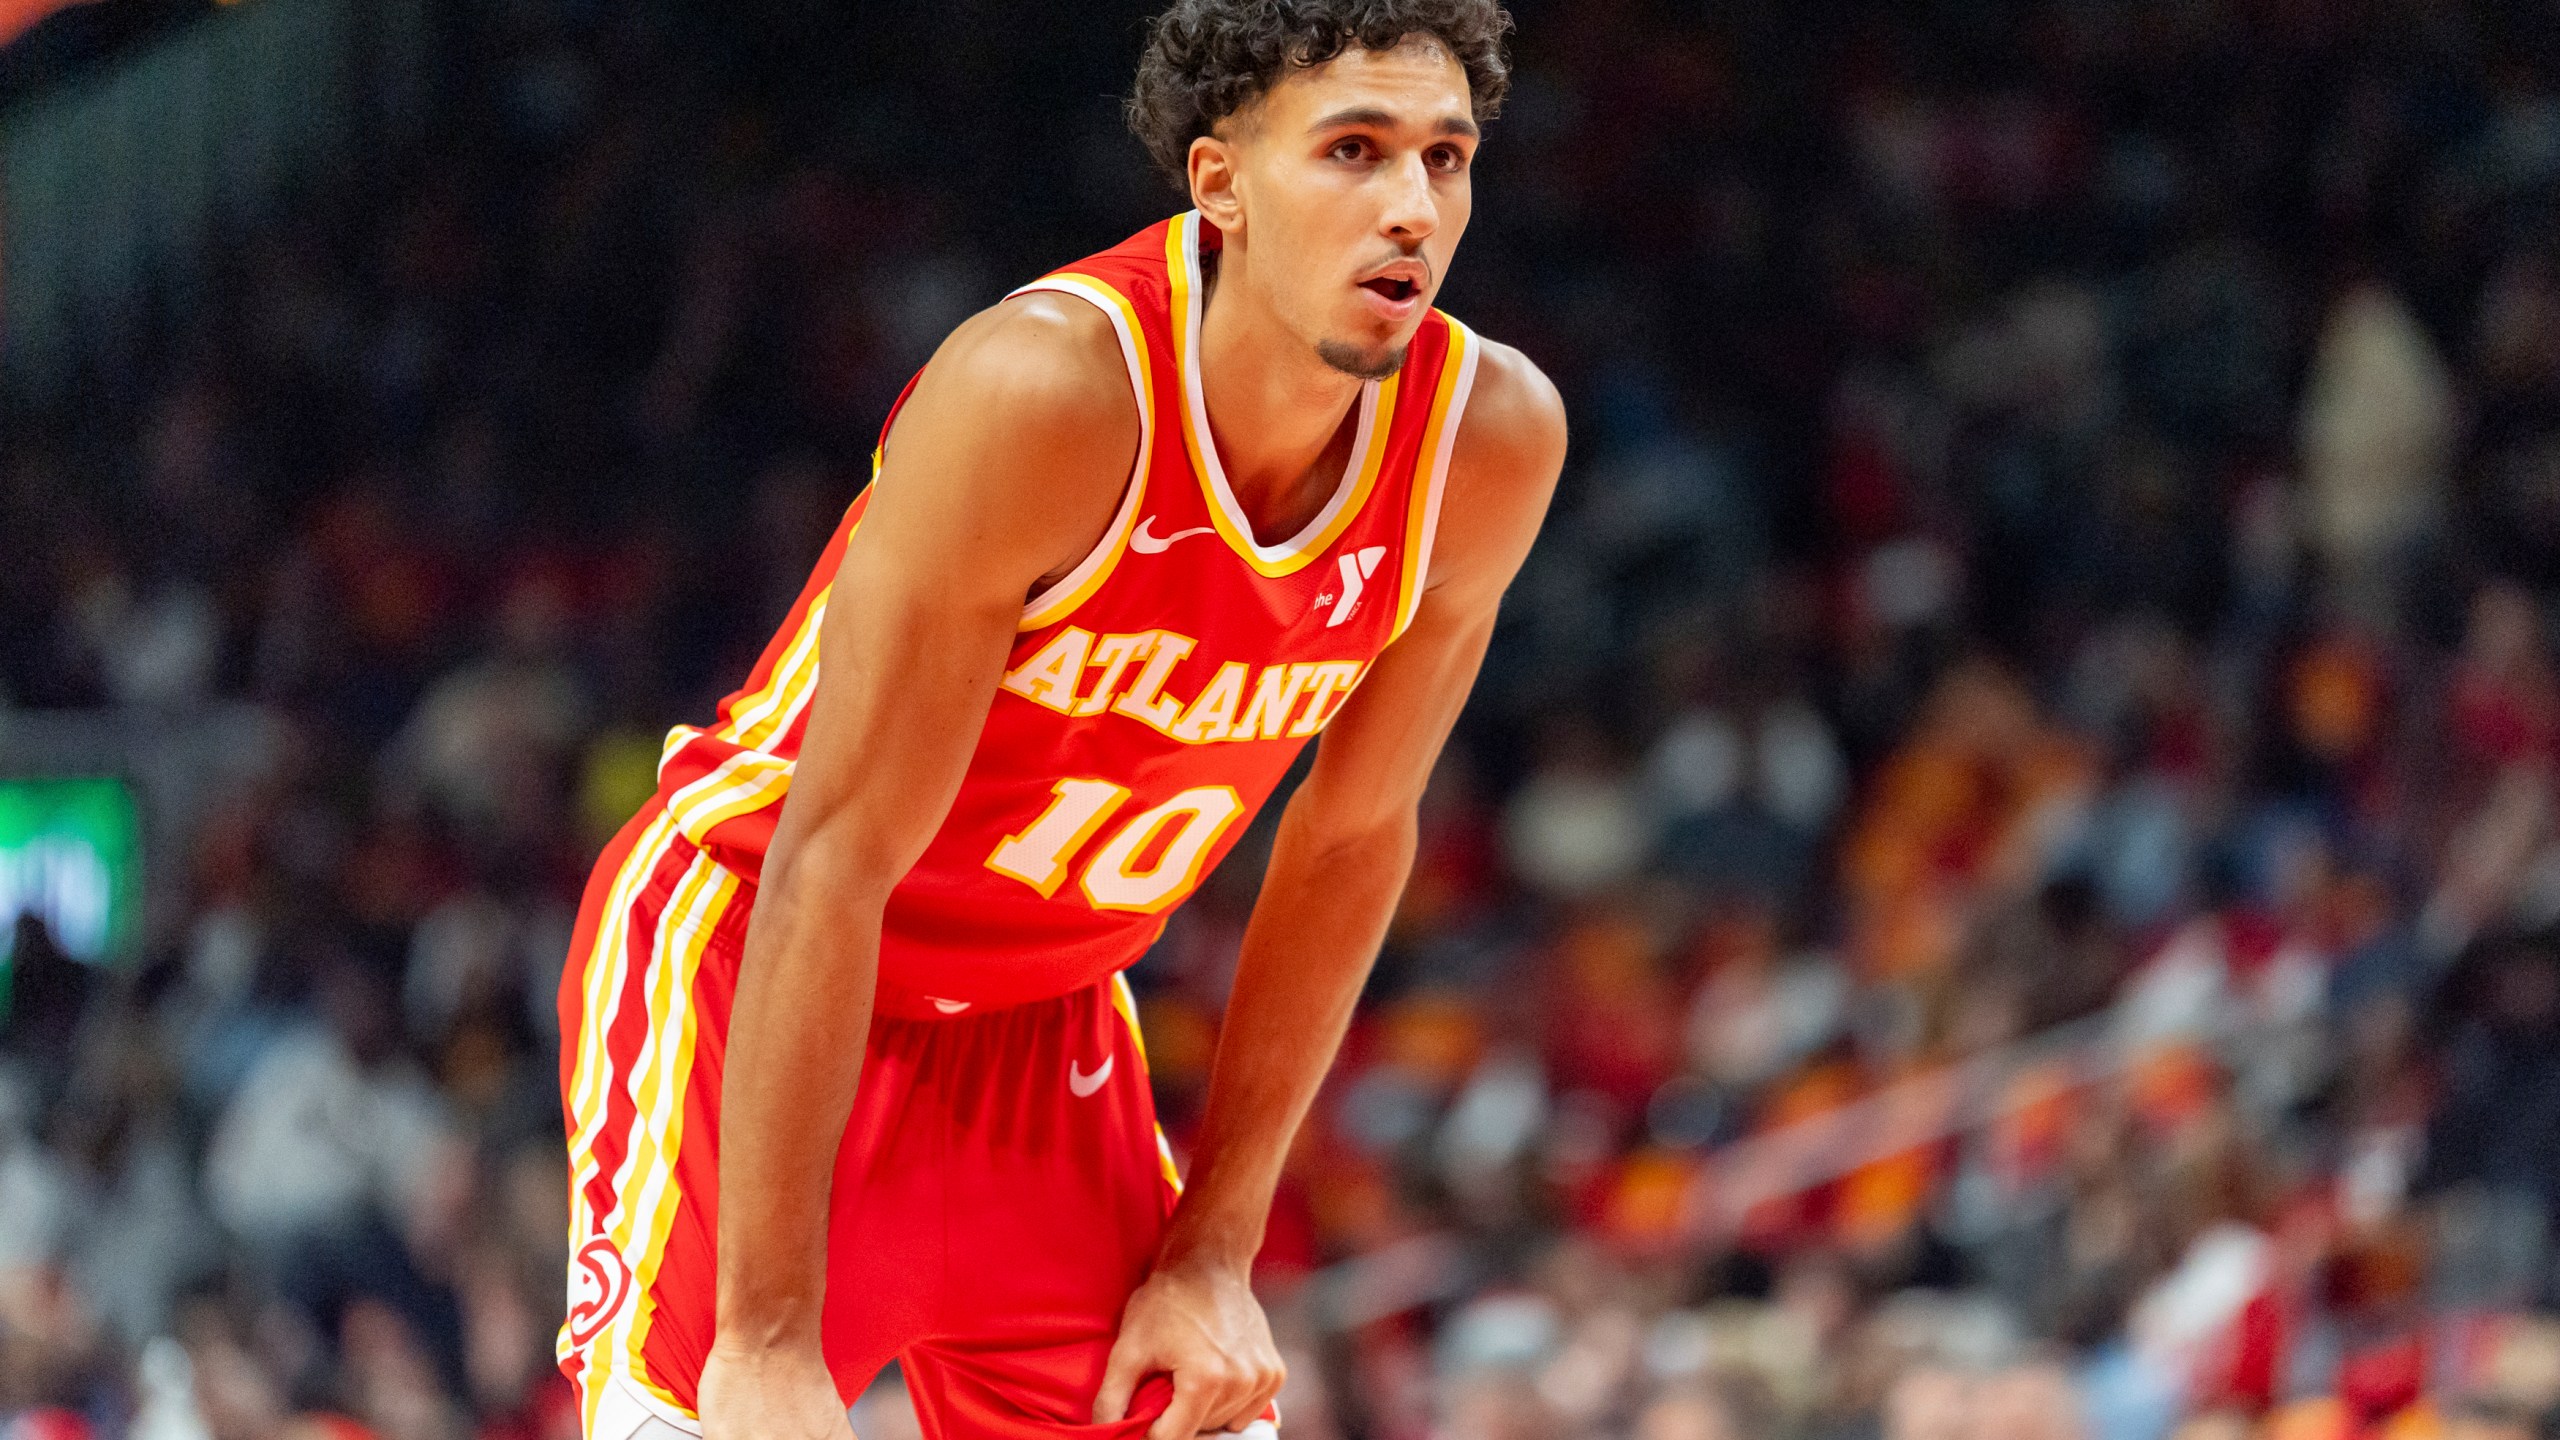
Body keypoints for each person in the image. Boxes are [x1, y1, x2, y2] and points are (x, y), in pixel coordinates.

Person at [555, 2, 1564, 1437]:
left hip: (1047, 1038)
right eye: (1355, 150)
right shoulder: (1046, 392)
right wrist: (766, 1336)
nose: (1413, 206)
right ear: (1219, 184)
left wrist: (1212, 1254)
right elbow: (831, 857)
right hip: (760, 979)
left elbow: (1351, 841)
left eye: (1446, 160)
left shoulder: (1489, 444)